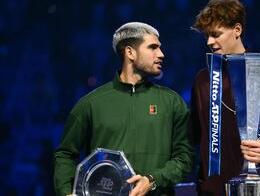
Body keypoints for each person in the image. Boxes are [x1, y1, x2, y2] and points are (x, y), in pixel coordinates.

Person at [53, 22, 195, 196]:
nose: (161, 54)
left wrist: (152, 180)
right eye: (153, 47)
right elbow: (65, 153)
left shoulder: (173, 102)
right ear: (130, 52)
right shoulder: (91, 103)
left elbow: (185, 158)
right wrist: (66, 192)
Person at [190, 0, 260, 196]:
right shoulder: (203, 79)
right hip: (212, 190)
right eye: (207, 36)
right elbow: (194, 137)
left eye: (216, 34)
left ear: (237, 30)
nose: (209, 42)